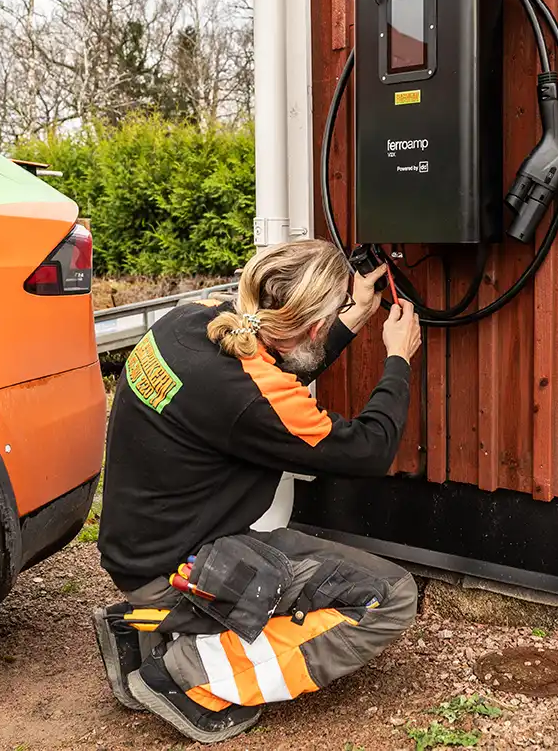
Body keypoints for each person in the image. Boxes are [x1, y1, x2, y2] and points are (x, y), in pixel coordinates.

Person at [92, 239, 422, 744]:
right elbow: (369, 450)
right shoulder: (249, 396)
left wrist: (351, 317)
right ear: (311, 326)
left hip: (139, 550)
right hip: (181, 567)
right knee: (390, 598)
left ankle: (143, 633)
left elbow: (264, 377)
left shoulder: (193, 319)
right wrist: (398, 358)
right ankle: (186, 674)